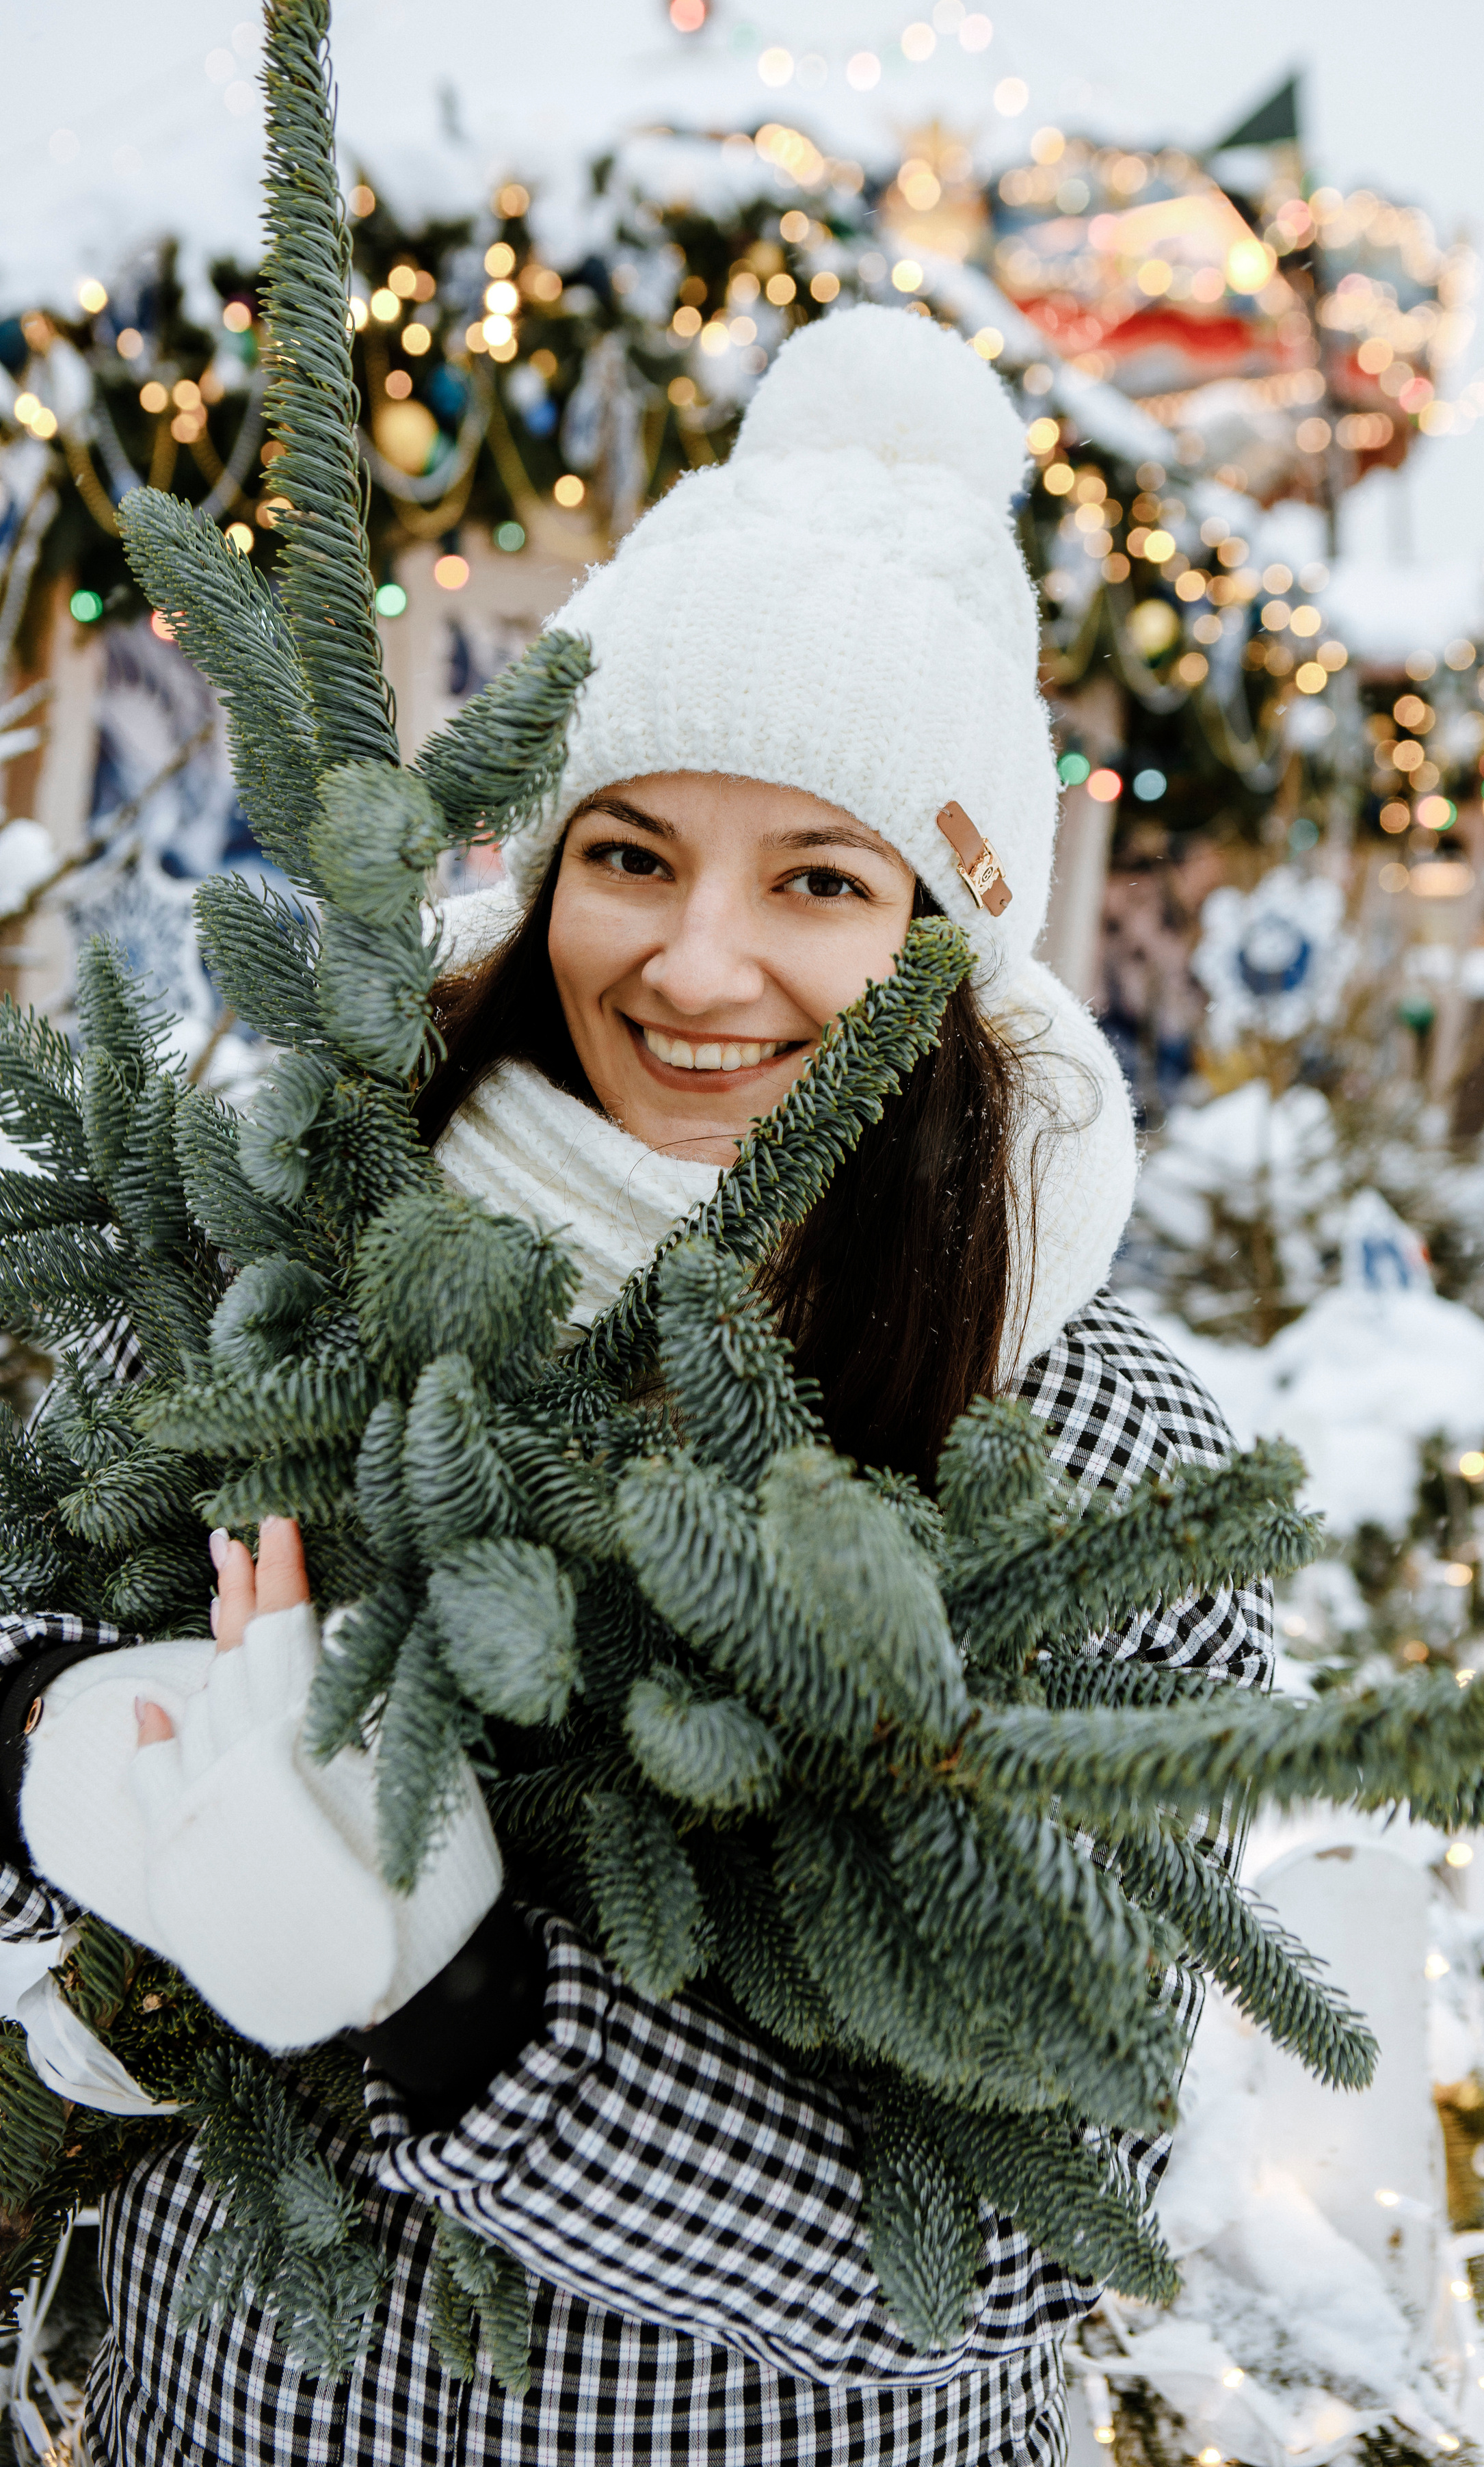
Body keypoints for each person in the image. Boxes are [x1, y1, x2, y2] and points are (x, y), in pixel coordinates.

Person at [0, 307, 1270, 2464]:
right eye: (633, 853)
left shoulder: (1095, 1439)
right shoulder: (295, 1238)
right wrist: (62, 1756)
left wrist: (468, 2004)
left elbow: (1036, 2246)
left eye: (822, 882)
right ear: (541, 857)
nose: (695, 966)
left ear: (955, 935)